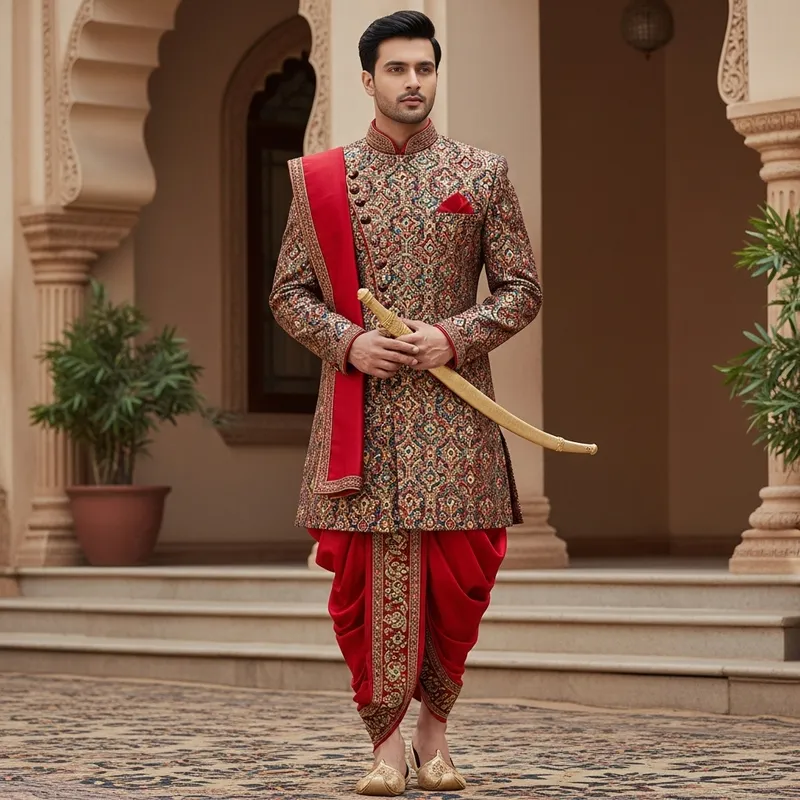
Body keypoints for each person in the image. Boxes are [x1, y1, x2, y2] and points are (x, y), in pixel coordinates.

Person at [269, 9, 542, 796]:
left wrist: (452, 337)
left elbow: (522, 289)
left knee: (459, 582)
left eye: (424, 68)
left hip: (457, 417)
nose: (413, 82)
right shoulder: (319, 179)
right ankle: (385, 746)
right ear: (367, 79)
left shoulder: (480, 174)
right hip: (362, 414)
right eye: (397, 69)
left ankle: (436, 736)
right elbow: (288, 294)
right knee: (367, 581)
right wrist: (348, 343)